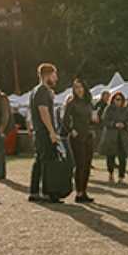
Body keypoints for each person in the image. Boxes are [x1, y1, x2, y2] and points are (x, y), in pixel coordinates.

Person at [28, 64, 62, 203]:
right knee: (48, 162)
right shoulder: (42, 91)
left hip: (39, 132)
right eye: (54, 75)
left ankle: (34, 192)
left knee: (39, 161)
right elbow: (43, 112)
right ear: (47, 75)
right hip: (44, 133)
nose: (56, 78)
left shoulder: (35, 91)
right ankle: (48, 193)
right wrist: (52, 132)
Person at [63, 78, 97, 202]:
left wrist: (94, 122)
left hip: (88, 135)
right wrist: (72, 130)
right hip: (77, 137)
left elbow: (93, 119)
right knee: (80, 164)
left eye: (80, 87)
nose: (78, 89)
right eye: (76, 87)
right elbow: (65, 120)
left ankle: (84, 192)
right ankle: (78, 193)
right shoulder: (71, 103)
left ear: (84, 88)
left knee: (87, 165)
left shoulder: (88, 102)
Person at [100, 92, 128, 185]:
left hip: (122, 137)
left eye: (120, 99)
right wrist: (114, 124)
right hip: (111, 136)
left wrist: (124, 125)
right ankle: (110, 174)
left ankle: (121, 177)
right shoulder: (109, 109)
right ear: (113, 99)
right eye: (117, 99)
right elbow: (104, 121)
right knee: (110, 157)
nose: (119, 101)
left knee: (123, 158)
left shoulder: (126, 109)